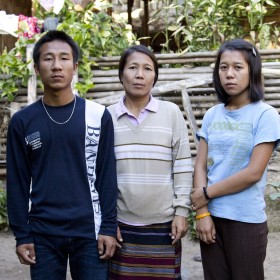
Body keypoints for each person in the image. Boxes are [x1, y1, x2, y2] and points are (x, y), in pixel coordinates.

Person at [6, 30, 118, 280]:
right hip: (42, 233)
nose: (56, 66)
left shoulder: (98, 116)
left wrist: (108, 227)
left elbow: (107, 176)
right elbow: (17, 183)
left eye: (64, 58)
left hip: (90, 231)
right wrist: (22, 234)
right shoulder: (23, 121)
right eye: (48, 59)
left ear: (75, 66)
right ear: (36, 68)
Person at [191, 38, 280, 280]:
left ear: (252, 71)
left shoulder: (266, 115)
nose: (229, 74)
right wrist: (202, 213)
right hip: (211, 218)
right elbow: (200, 165)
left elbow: (253, 172)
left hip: (245, 221)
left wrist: (206, 194)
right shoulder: (212, 115)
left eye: (238, 67)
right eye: (223, 67)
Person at [107, 45, 193, 279]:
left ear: (155, 76)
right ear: (121, 73)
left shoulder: (171, 113)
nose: (139, 75)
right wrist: (107, 221)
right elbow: (98, 173)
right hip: (121, 225)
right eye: (132, 67)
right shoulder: (107, 117)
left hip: (164, 225)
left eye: (147, 68)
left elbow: (183, 165)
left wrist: (181, 212)